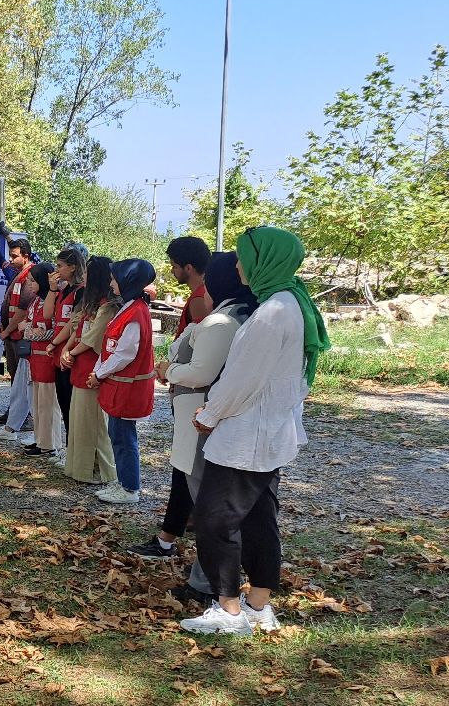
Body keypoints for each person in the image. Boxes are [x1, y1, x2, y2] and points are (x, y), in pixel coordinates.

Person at [180, 227, 328, 636]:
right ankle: (259, 606)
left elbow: (243, 379)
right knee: (259, 520)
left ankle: (229, 610)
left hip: (246, 436)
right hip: (268, 431)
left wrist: (210, 415)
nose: (240, 265)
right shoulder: (291, 303)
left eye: (245, 257)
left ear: (264, 261)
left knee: (214, 520)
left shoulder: (272, 312)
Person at [126, 252, 257, 606]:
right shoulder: (237, 315)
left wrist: (170, 371)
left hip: (199, 417)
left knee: (209, 505)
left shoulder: (221, 322)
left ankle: (208, 583)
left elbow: (201, 372)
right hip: (199, 416)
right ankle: (209, 577)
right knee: (208, 502)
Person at [89, 258, 157, 504]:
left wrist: (99, 373)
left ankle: (129, 488)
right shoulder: (130, 307)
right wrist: (99, 369)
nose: (110, 282)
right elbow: (112, 346)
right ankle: (124, 481)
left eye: (114, 278)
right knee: (118, 434)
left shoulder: (136, 312)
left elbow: (124, 353)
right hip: (120, 384)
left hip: (128, 387)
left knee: (124, 438)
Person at [60, 256, 117, 484]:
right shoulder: (91, 304)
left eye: (86, 273)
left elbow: (92, 338)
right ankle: (79, 467)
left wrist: (70, 352)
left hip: (93, 369)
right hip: (80, 367)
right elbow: (77, 329)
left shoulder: (107, 307)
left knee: (93, 424)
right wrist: (66, 349)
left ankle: (100, 471)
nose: (82, 276)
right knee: (79, 421)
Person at [44, 244, 89, 441]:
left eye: (60, 266)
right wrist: (53, 289)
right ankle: (70, 448)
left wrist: (55, 343)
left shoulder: (81, 291)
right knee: (63, 401)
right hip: (59, 352)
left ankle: (74, 448)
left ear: (72, 267)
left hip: (69, 352)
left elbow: (74, 323)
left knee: (71, 404)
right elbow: (47, 314)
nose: (56, 270)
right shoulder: (64, 290)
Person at [19, 263, 64, 456]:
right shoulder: (36, 301)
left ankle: (50, 443)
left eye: (32, 280)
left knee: (48, 404)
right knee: (37, 403)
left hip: (47, 359)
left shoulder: (53, 301)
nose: (29, 284)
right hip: (35, 359)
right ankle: (40, 439)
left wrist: (28, 330)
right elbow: (30, 326)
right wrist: (30, 329)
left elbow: (50, 331)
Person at [0, 238, 32, 422]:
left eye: (14, 256)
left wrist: (7, 330)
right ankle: (15, 412)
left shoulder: (29, 276)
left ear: (26, 256)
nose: (11, 259)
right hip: (12, 335)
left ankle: (25, 417)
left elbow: (23, 311)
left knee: (22, 379)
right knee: (15, 376)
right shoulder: (18, 274)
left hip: (20, 336)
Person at [167, 236, 212, 339]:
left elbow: (201, 340)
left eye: (175, 266)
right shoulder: (205, 293)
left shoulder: (199, 300)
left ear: (188, 268)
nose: (172, 271)